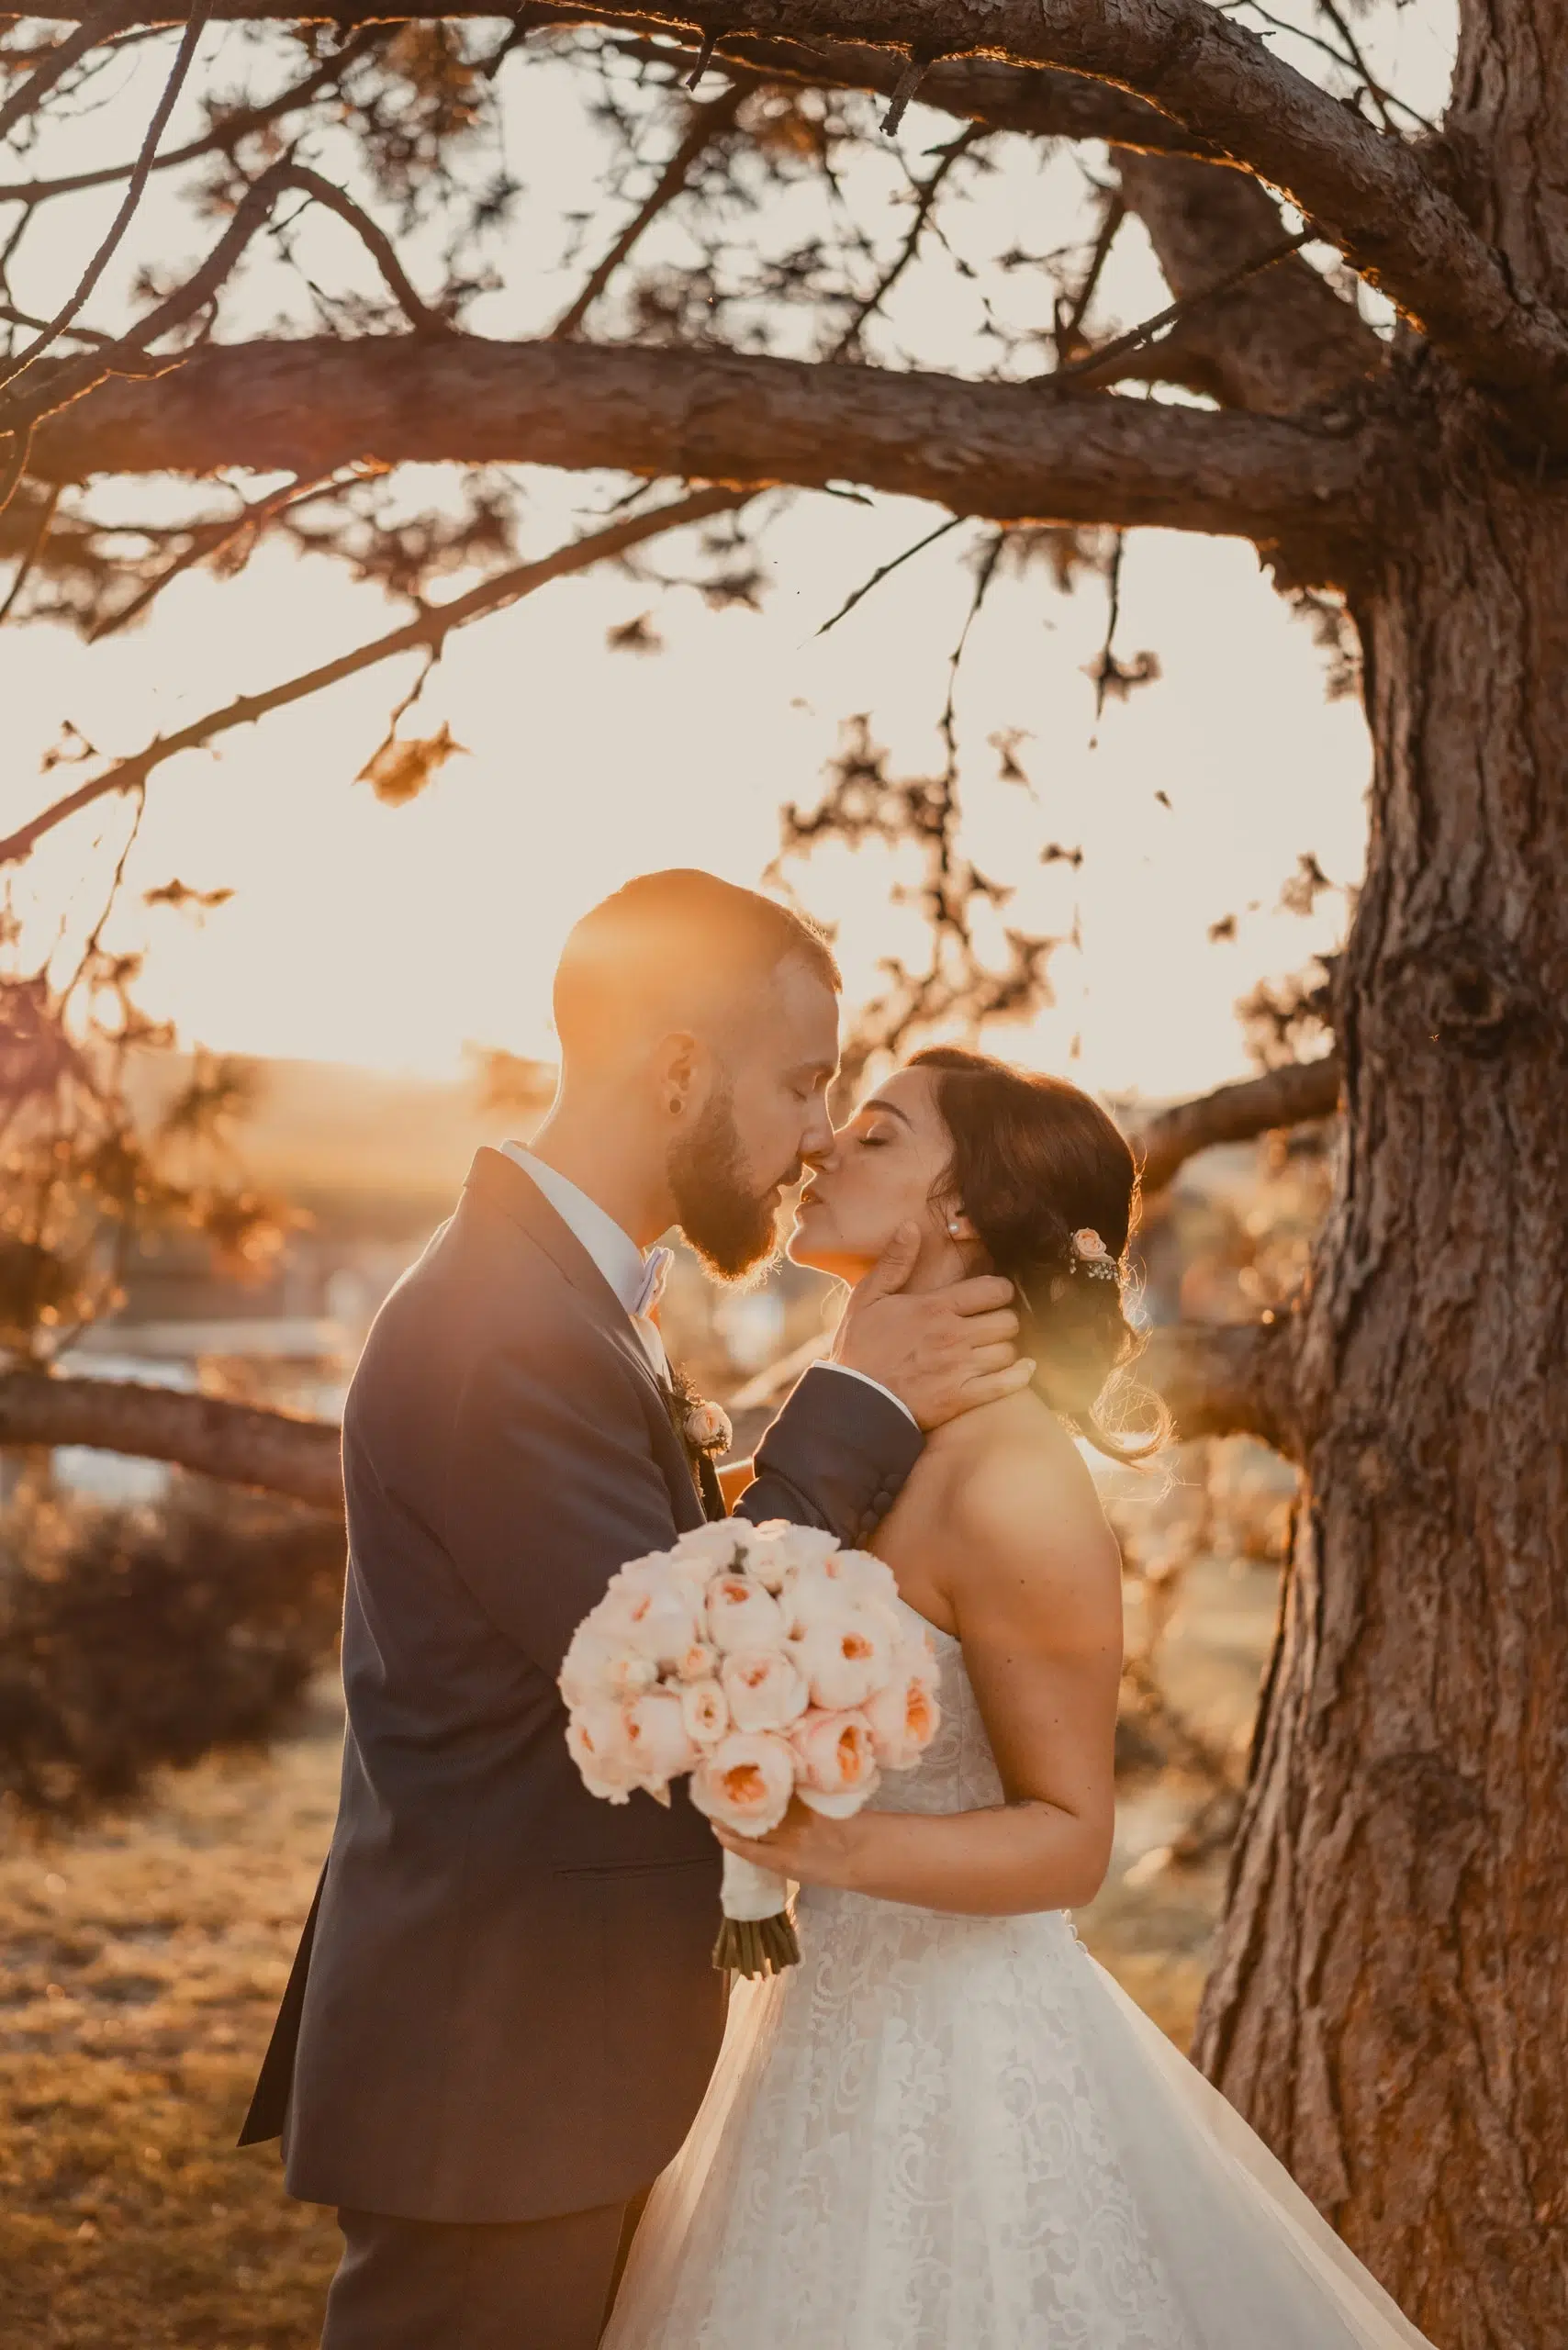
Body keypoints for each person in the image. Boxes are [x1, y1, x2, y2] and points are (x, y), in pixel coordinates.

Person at [238, 876, 1031, 2350]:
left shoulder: (578, 1301)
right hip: (496, 2082)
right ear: (676, 1069)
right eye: (803, 1082)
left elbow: (630, 1583)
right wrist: (850, 1402)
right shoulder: (508, 1326)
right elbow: (691, 1676)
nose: (817, 1133)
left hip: (542, 2063)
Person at [604, 1046, 1438, 2350]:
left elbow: (1071, 1837)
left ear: (963, 1210)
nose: (825, 1149)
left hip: (954, 2059)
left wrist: (821, 1842)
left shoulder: (1013, 1478)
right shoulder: (870, 1430)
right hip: (807, 2032)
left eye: (877, 1135)